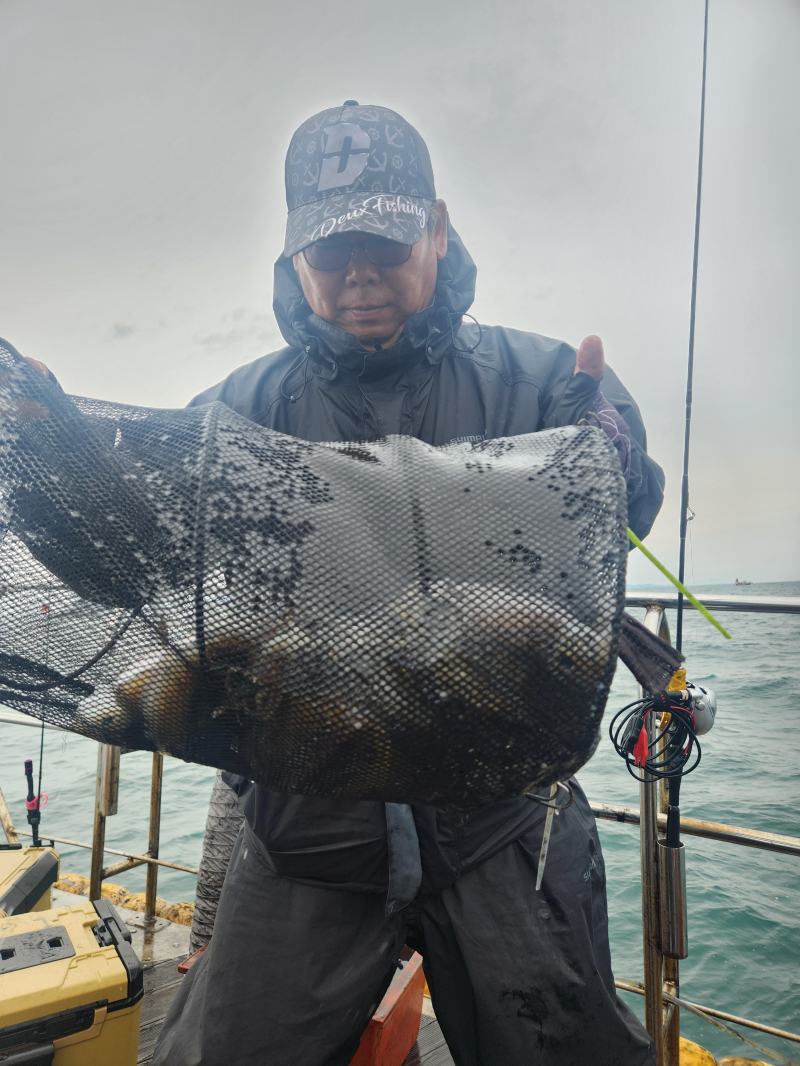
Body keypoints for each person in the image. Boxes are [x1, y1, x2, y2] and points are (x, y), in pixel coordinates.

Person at [143, 101, 663, 1066]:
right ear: (296, 260)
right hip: (305, 826)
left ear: (438, 228)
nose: (358, 276)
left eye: (384, 241)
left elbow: (632, 511)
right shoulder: (235, 412)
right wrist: (47, 464)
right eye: (330, 252)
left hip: (504, 817)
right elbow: (135, 554)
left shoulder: (548, 378)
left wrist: (612, 454)